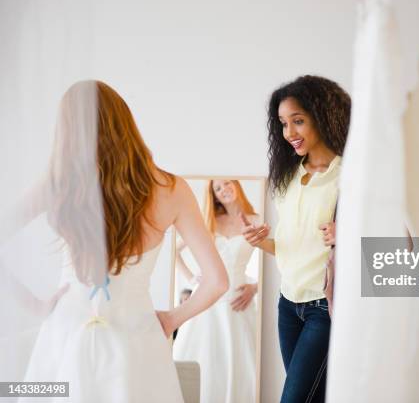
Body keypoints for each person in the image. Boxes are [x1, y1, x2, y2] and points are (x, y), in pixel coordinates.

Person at [6, 80, 228, 403]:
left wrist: (35, 306)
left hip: (63, 337)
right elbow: (218, 281)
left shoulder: (58, 184)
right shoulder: (172, 190)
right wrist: (171, 319)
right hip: (138, 343)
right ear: (125, 124)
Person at [242, 75, 351, 403]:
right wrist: (263, 243)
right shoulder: (287, 176)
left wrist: (347, 236)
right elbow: (294, 249)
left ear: (324, 115)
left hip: (325, 305)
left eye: (298, 121)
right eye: (283, 123)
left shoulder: (350, 173)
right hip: (288, 303)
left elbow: (398, 243)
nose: (289, 133)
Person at [173, 179, 260, 403]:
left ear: (237, 185)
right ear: (214, 196)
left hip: (240, 299)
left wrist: (256, 286)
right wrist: (193, 278)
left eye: (227, 184)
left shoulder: (257, 220)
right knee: (203, 355)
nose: (224, 190)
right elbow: (175, 251)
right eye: (217, 189)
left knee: (240, 360)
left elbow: (276, 263)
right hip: (207, 299)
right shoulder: (209, 222)